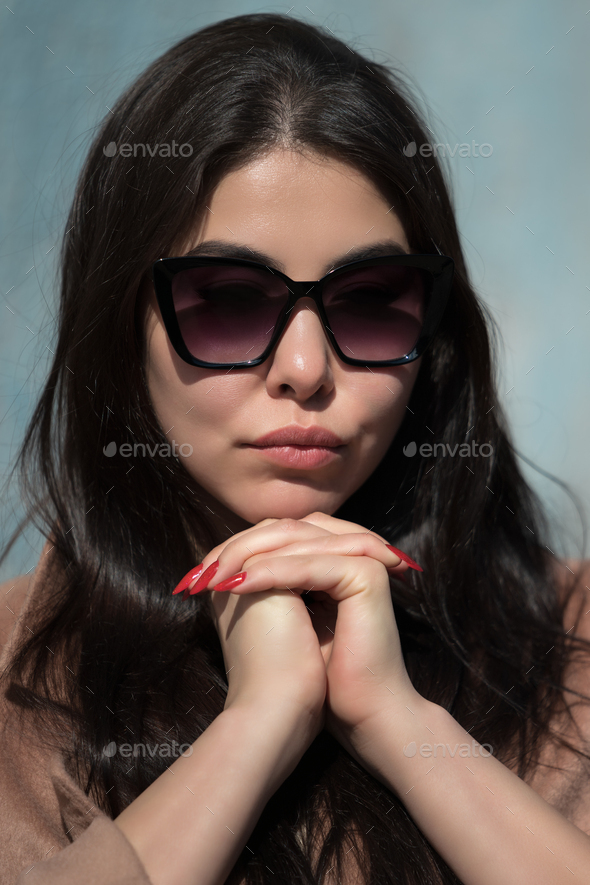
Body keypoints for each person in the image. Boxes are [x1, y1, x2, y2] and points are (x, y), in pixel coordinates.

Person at [1, 11, 589, 885]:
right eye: (228, 300)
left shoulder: (569, 641)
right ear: (121, 330)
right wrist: (255, 728)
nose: (306, 370)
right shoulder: (16, 672)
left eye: (371, 299)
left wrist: (401, 720)